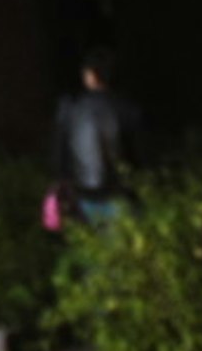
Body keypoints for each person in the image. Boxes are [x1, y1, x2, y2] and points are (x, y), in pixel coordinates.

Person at [51, 50, 140, 230]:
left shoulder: (69, 108)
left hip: (81, 195)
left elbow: (58, 156)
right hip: (118, 194)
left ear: (91, 75)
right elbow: (139, 157)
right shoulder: (127, 109)